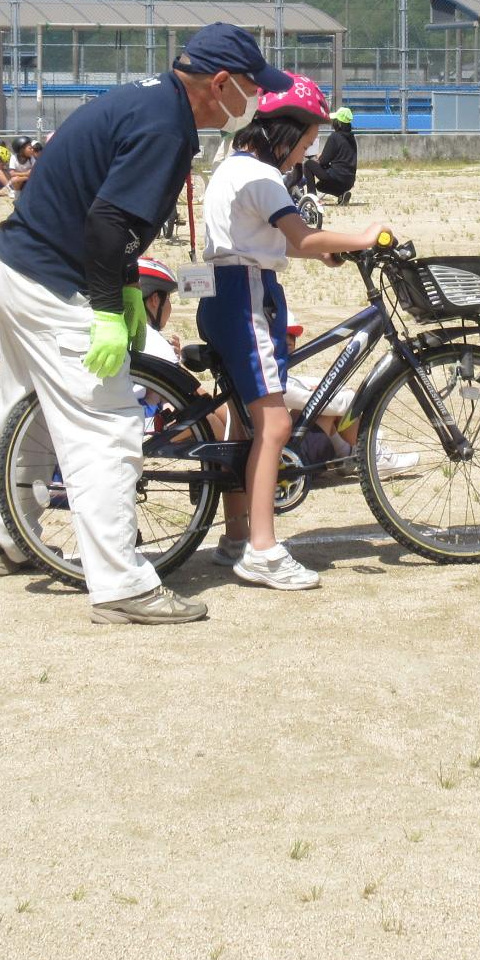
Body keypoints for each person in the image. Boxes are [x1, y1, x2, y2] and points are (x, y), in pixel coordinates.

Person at [0, 20, 293, 619]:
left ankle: (9, 537)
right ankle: (123, 587)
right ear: (221, 83)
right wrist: (105, 309)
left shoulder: (149, 100)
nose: (256, 101)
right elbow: (107, 225)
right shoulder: (165, 126)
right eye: (252, 87)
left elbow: (100, 212)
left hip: (17, 263)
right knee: (106, 426)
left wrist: (122, 287)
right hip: (53, 279)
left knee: (28, 409)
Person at [197, 74, 389, 590]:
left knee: (247, 424)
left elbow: (272, 238)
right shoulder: (262, 178)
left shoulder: (229, 170)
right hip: (247, 299)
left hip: (223, 292)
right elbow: (300, 236)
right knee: (275, 426)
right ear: (281, 134)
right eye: (303, 144)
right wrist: (362, 236)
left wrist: (324, 248)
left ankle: (236, 536)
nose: (303, 155)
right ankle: (263, 549)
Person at [310, 107, 358, 201]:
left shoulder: (335, 137)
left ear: (339, 123)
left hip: (337, 177)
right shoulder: (352, 138)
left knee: (308, 164)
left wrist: (319, 158)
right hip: (349, 180)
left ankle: (311, 196)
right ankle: (341, 195)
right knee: (320, 186)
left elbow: (324, 161)